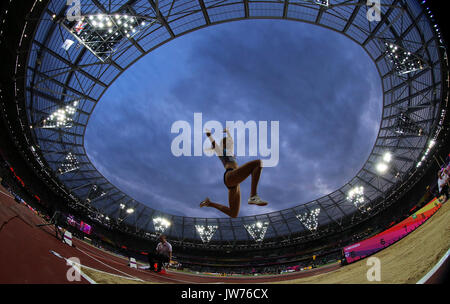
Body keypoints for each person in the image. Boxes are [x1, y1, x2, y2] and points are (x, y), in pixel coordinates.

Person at [200, 128, 268, 218]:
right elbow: (215, 145)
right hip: (230, 175)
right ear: (224, 144)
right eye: (228, 142)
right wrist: (209, 136)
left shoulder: (230, 152)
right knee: (257, 163)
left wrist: (228, 132)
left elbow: (231, 141)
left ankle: (210, 203)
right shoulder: (222, 152)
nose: (230, 143)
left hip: (234, 182)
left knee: (233, 213)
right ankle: (253, 195)